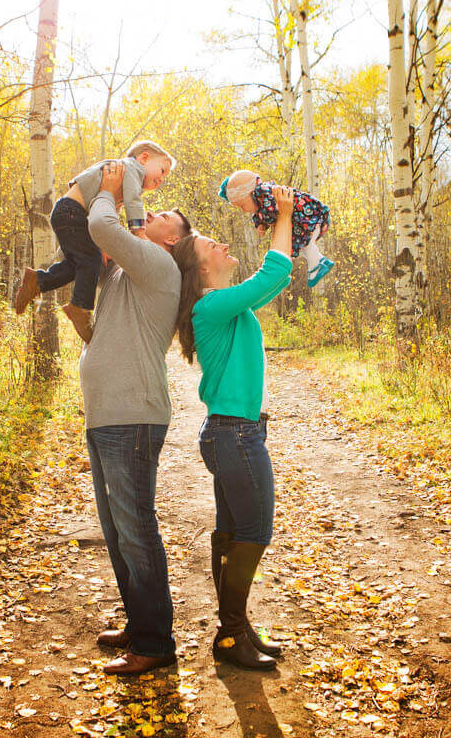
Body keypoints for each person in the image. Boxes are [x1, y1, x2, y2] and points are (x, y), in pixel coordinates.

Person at [170, 185, 295, 670]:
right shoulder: (209, 305)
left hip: (232, 434)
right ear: (201, 269)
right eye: (211, 246)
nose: (223, 246)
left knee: (230, 533)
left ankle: (234, 632)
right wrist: (284, 214)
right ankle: (232, 633)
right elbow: (275, 274)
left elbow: (264, 283)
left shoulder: (224, 305)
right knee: (255, 532)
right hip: (235, 436)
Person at [80, 160, 193, 675]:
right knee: (118, 528)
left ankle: (155, 642)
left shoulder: (158, 264)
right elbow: (90, 250)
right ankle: (140, 623)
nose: (156, 211)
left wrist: (109, 190)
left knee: (135, 527)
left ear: (172, 240)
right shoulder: (130, 267)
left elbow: (102, 225)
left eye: (167, 214)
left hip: (131, 417)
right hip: (107, 415)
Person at [13, 141, 177, 342]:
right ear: (144, 158)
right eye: (162, 170)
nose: (162, 179)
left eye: (165, 177)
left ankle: (38, 281)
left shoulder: (121, 176)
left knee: (80, 264)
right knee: (90, 260)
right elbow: (134, 201)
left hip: (70, 213)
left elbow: (109, 209)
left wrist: (104, 243)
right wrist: (139, 232)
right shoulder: (131, 169)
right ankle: (80, 307)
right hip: (72, 212)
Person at [218, 169, 334, 288]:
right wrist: (261, 225)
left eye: (242, 205)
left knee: (307, 244)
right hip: (304, 222)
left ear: (252, 193)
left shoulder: (264, 192)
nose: (243, 210)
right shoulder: (261, 201)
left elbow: (272, 211)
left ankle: (316, 268)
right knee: (302, 247)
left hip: (311, 218)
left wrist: (267, 223)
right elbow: (262, 213)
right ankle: (320, 262)